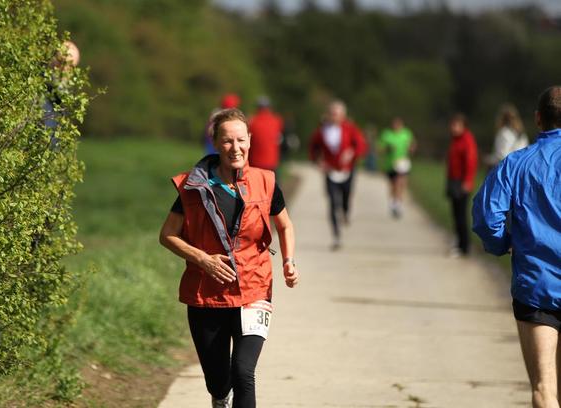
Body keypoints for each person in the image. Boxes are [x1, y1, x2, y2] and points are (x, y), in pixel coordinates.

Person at [160, 108, 299, 408]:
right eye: (226, 141)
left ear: (250, 140)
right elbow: (167, 235)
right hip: (206, 294)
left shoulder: (266, 181)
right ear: (215, 143)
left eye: (240, 140)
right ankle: (220, 397)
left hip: (254, 287)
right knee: (219, 380)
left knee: (243, 373)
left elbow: (285, 225)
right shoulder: (193, 187)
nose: (235, 148)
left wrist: (288, 261)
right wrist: (203, 259)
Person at [472, 86, 561, 408]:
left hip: (537, 288)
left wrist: (502, 244)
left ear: (538, 119)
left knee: (544, 389)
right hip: (538, 287)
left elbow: (487, 217)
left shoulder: (516, 164)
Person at [309, 100, 368, 250]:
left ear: (343, 115)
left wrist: (351, 152)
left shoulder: (350, 128)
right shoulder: (322, 130)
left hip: (347, 170)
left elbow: (361, 145)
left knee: (346, 198)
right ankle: (336, 237)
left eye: (337, 114)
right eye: (332, 113)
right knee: (333, 203)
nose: (334, 116)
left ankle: (346, 212)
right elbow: (313, 147)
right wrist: (318, 161)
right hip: (330, 171)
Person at [445, 113, 478, 257]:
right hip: (453, 180)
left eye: (456, 125)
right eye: (452, 125)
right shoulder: (455, 140)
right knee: (455, 213)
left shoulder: (467, 140)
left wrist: (467, 181)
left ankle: (464, 246)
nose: (453, 128)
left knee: (461, 215)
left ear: (464, 126)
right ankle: (459, 243)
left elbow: (471, 162)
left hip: (461, 181)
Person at [44, 40, 80, 150]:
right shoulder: (37, 93)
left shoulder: (64, 99)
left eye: (70, 66)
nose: (64, 69)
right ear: (52, 60)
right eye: (61, 62)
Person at [377, 117, 416, 218]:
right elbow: (379, 148)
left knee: (401, 182)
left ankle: (398, 203)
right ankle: (392, 201)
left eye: (398, 125)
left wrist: (411, 148)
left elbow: (412, 144)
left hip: (403, 162)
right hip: (390, 164)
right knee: (393, 184)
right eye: (394, 124)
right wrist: (387, 148)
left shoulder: (406, 133)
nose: (396, 126)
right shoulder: (387, 134)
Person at [247, 96, 284, 172]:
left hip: (255, 162)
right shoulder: (277, 120)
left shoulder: (252, 121)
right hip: (272, 162)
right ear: (269, 107)